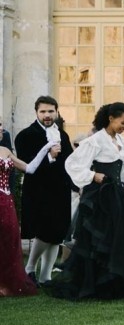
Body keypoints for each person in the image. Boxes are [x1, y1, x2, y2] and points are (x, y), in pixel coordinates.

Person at [53, 103, 124, 301]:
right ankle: (122, 287)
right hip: (100, 197)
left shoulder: (120, 140)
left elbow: (123, 169)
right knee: (103, 242)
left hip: (116, 195)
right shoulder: (95, 141)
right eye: (123, 122)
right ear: (111, 118)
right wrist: (93, 175)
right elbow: (72, 164)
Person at [15, 96, 74, 284]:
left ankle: (45, 276)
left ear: (56, 111)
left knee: (57, 234)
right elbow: (26, 166)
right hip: (38, 191)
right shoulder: (25, 135)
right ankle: (30, 267)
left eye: (50, 111)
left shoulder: (62, 135)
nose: (47, 115)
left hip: (61, 191)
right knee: (44, 232)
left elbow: (69, 163)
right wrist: (49, 156)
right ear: (36, 112)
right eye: (43, 111)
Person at [0, 145, 39, 297]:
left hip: (6, 200)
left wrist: (47, 150)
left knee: (9, 238)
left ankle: (6, 282)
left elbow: (29, 168)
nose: (1, 133)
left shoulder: (5, 150)